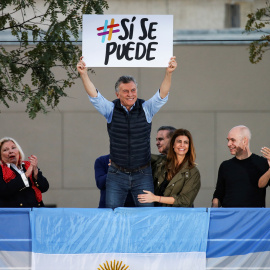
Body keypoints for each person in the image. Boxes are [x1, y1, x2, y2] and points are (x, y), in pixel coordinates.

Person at [77, 56, 177, 208]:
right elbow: (94, 96)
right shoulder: (110, 109)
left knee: (146, 216)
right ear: (118, 94)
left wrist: (168, 73)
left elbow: (161, 95)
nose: (131, 94)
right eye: (126, 91)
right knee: (112, 215)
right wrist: (84, 74)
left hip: (142, 173)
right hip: (117, 174)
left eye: (133, 90)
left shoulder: (146, 108)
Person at [138, 129, 201, 207]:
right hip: (156, 213)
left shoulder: (193, 172)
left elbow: (185, 200)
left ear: (189, 146)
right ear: (173, 145)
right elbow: (141, 156)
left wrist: (155, 198)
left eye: (186, 142)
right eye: (179, 141)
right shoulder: (160, 162)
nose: (182, 145)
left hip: (177, 216)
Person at [212, 125, 270, 208]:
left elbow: (262, 184)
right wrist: (213, 214)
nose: (228, 144)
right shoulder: (225, 166)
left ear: (244, 141)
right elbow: (218, 194)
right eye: (228, 140)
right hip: (229, 217)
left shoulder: (262, 163)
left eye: (233, 140)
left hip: (254, 218)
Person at [0, 137, 49, 207]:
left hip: (35, 212)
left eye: (13, 148)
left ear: (19, 151)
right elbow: (3, 191)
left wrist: (35, 172)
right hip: (17, 214)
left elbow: (44, 187)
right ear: (0, 156)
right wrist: (25, 175)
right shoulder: (1, 169)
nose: (11, 151)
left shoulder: (27, 165)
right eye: (5, 150)